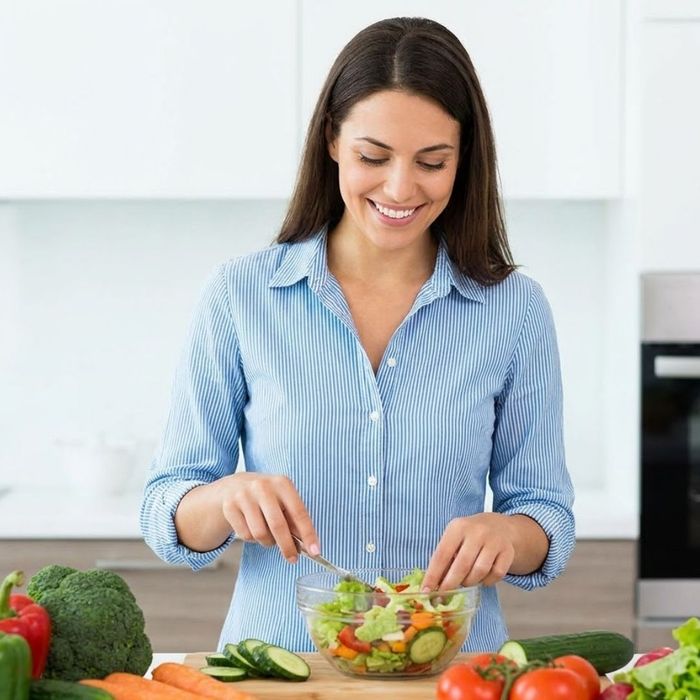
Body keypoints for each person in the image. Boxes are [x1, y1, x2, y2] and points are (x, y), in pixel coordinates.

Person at [140, 16, 575, 653]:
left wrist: (510, 534)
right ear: (332, 142)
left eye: (432, 162)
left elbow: (547, 515)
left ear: (465, 159)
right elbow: (164, 513)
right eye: (374, 156)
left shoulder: (514, 310)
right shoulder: (240, 295)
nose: (400, 188)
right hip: (279, 673)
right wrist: (226, 498)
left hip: (451, 676)